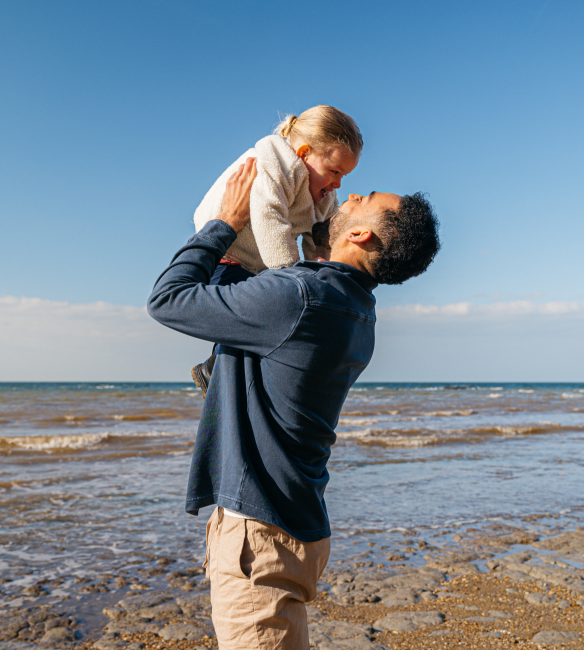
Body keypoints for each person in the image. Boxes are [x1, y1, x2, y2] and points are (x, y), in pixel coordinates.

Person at [147, 159, 440, 650]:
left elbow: (168, 300)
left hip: (261, 533)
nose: (347, 197)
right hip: (290, 521)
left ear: (363, 234)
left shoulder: (299, 298)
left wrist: (228, 223)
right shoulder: (355, 309)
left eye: (361, 199)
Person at [189, 105, 364, 395]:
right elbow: (268, 215)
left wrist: (323, 272)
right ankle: (215, 371)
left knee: (259, 328)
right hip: (225, 251)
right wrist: (290, 276)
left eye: (344, 175)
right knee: (251, 319)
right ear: (304, 153)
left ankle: (217, 370)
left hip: (254, 262)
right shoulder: (275, 163)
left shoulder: (323, 194)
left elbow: (320, 236)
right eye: (334, 171)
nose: (338, 183)